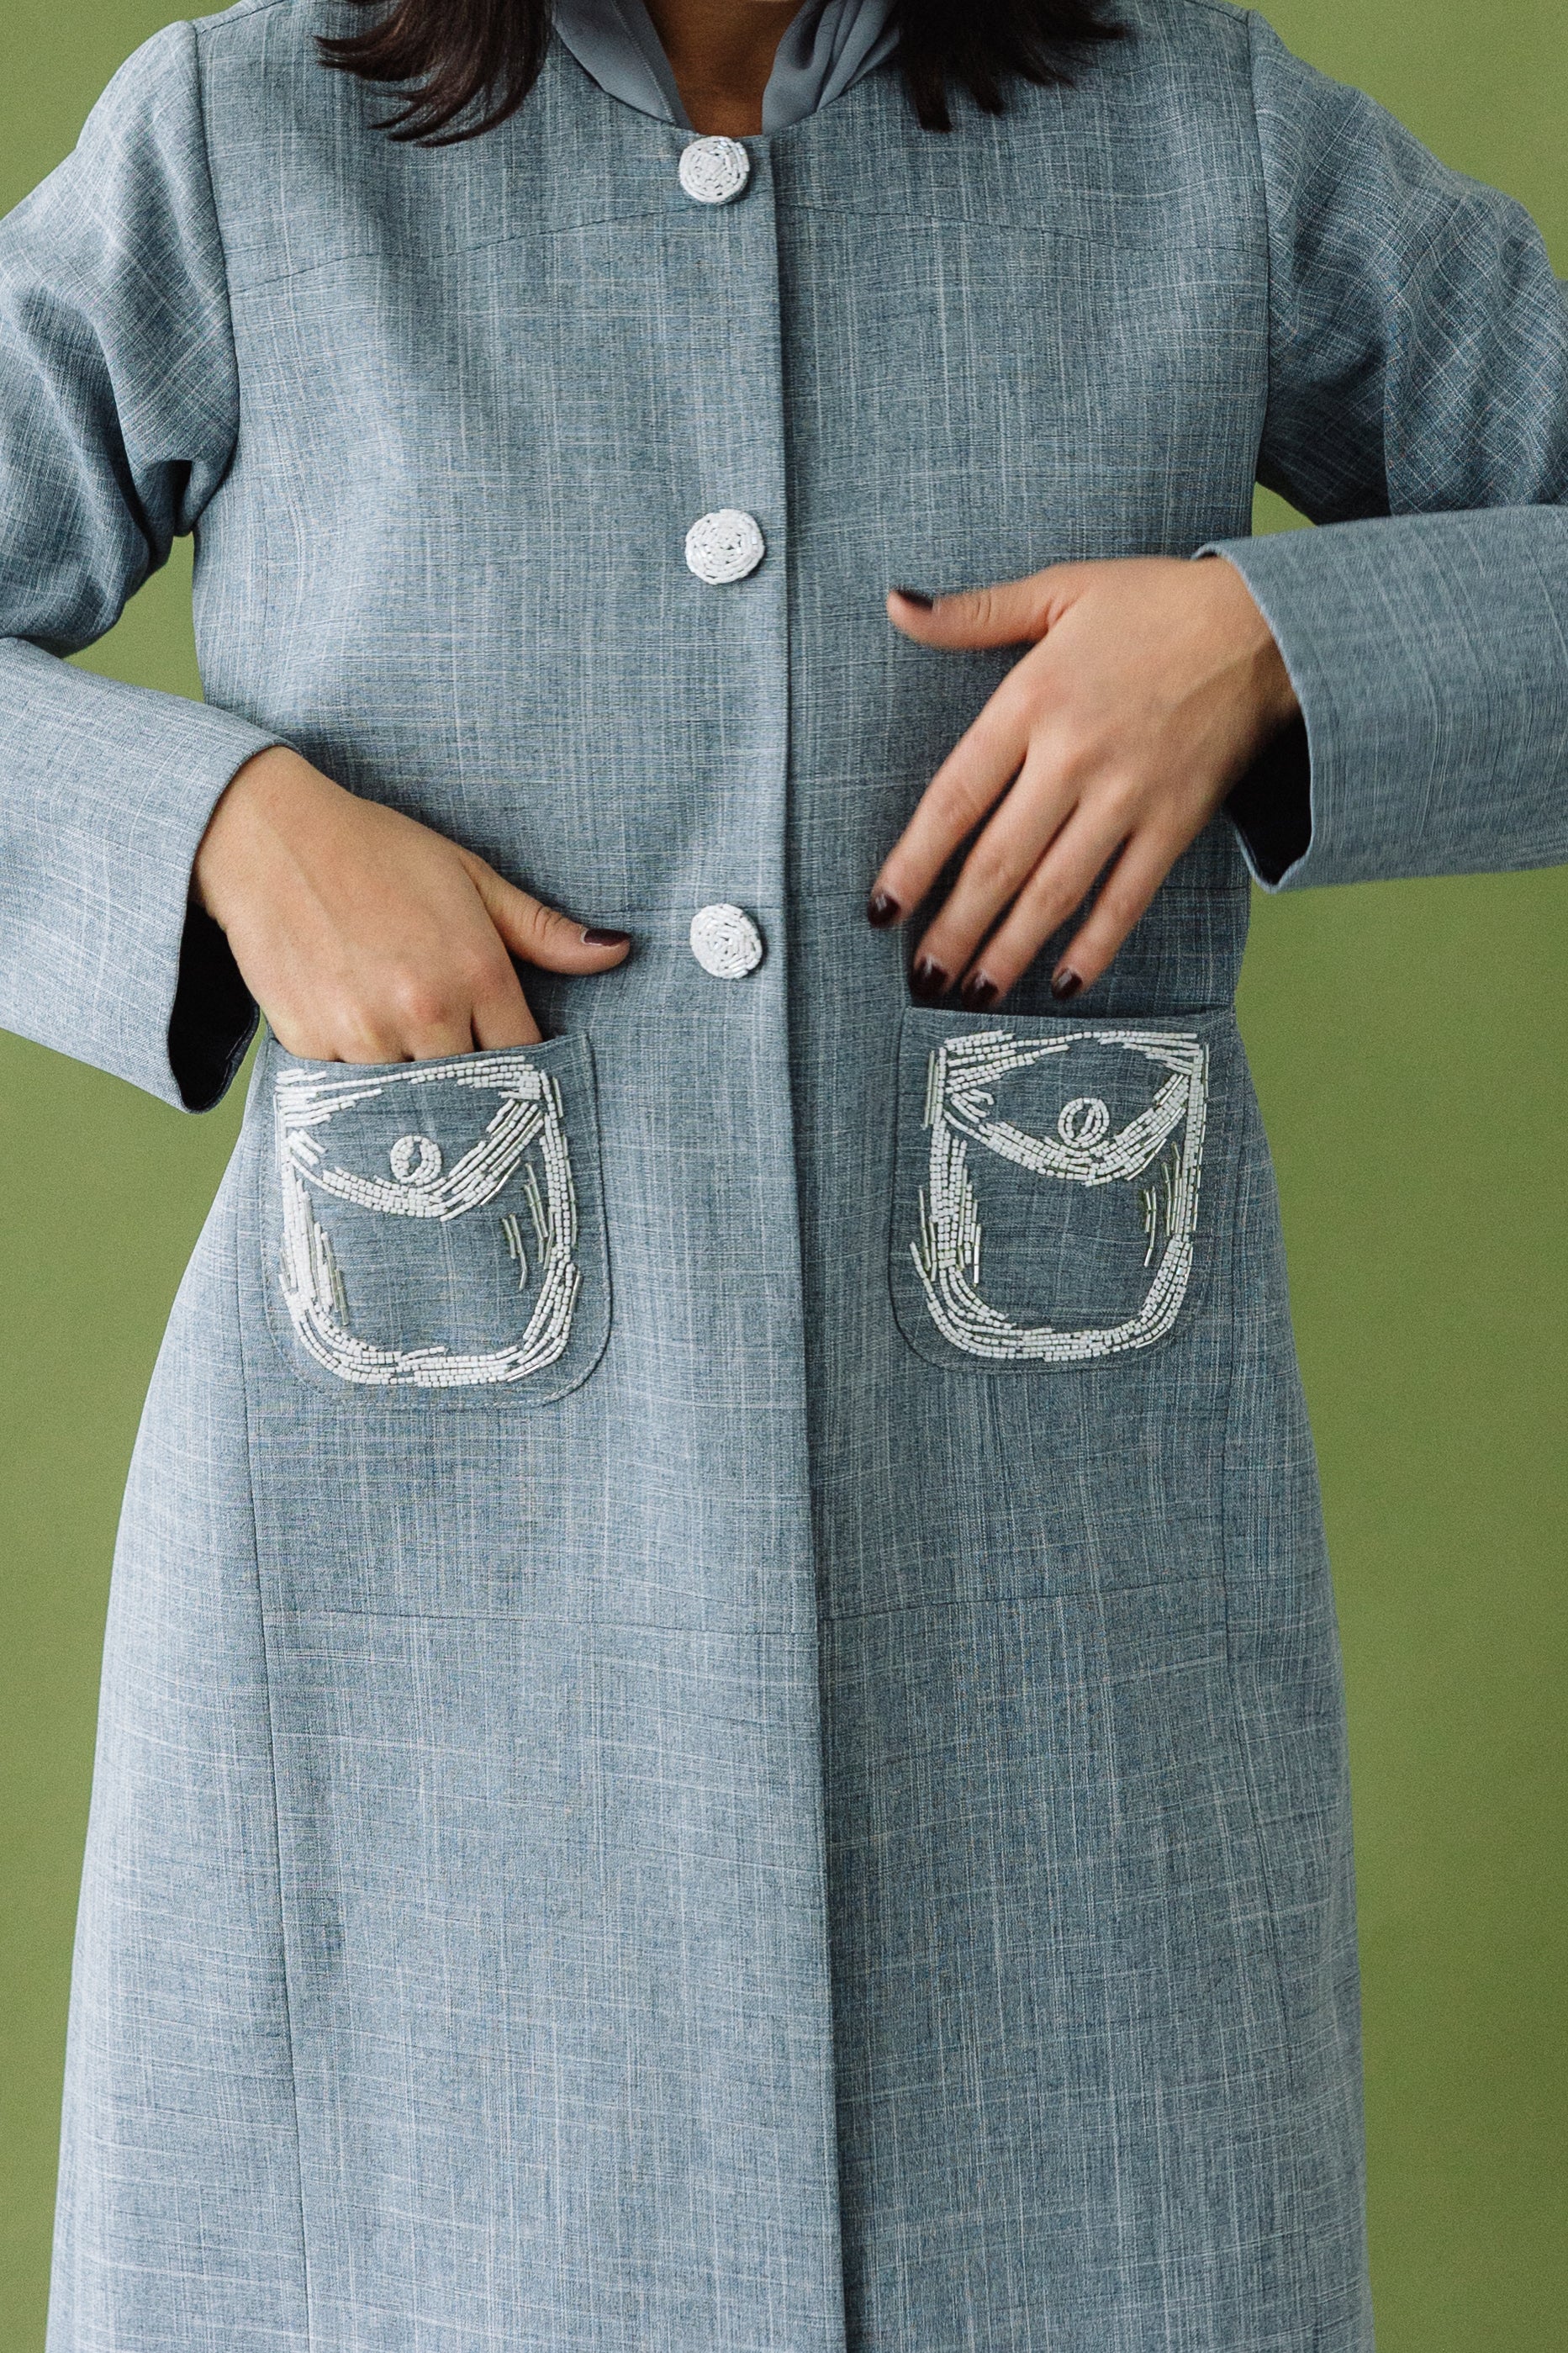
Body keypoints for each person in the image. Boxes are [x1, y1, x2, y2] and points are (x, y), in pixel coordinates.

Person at [1, 0, 1562, 2345]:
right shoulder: (240, 146)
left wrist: (1268, 641)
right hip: (407, 1710)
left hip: (1057, 1732)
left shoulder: (1202, 134)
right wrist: (216, 833)